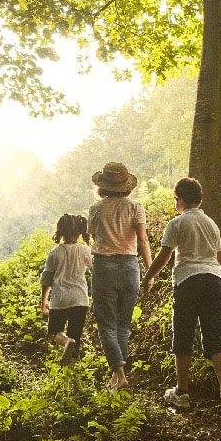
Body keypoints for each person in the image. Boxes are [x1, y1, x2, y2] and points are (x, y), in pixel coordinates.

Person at [142, 177, 221, 410]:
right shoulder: (211, 224)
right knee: (215, 336)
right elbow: (218, 259)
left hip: (188, 280)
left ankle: (182, 393)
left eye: (176, 199)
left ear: (180, 200)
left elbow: (165, 255)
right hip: (213, 280)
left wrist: (148, 277)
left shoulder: (177, 223)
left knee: (184, 334)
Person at [88, 162, 152, 389]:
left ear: (103, 186)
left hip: (104, 267)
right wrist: (150, 272)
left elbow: (92, 236)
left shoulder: (96, 209)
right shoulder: (136, 207)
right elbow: (143, 240)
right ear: (126, 185)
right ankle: (118, 377)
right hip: (130, 266)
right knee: (123, 326)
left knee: (106, 325)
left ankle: (120, 375)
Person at [40, 214, 93, 366]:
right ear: (79, 232)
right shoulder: (84, 250)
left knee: (54, 332)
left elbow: (47, 278)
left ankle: (66, 341)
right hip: (80, 299)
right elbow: (94, 269)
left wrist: (44, 300)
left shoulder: (55, 252)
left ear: (61, 231)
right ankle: (70, 369)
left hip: (60, 299)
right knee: (76, 335)